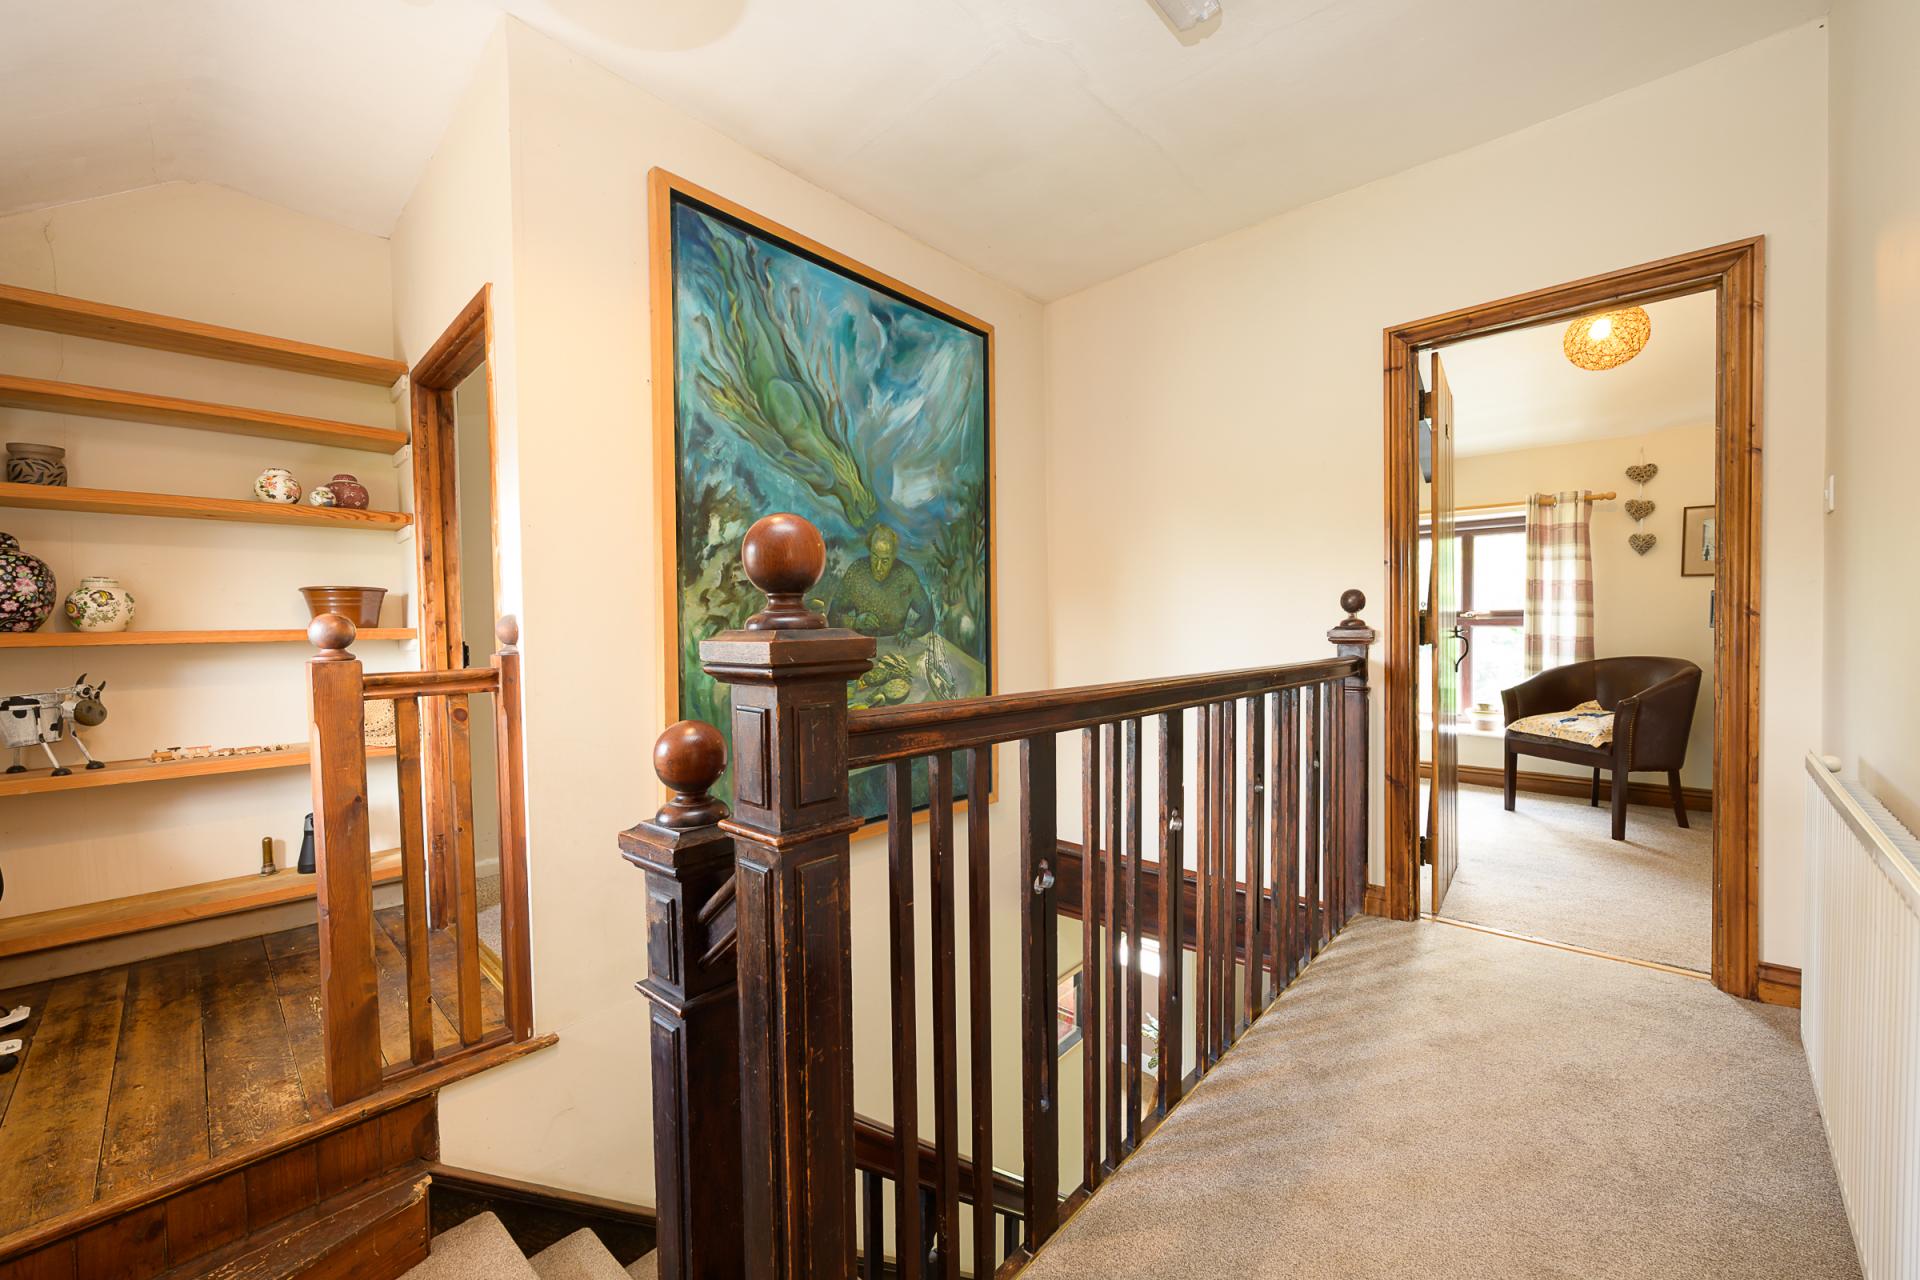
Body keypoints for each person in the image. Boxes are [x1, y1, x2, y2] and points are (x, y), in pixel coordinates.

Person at [828, 525, 932, 638]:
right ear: (870, 550)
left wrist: (912, 632)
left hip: (895, 646)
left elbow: (928, 617)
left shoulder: (906, 576)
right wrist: (854, 622)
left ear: (893, 556)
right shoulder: (856, 572)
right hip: (863, 644)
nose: (878, 567)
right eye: (874, 557)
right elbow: (832, 615)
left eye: (885, 561)